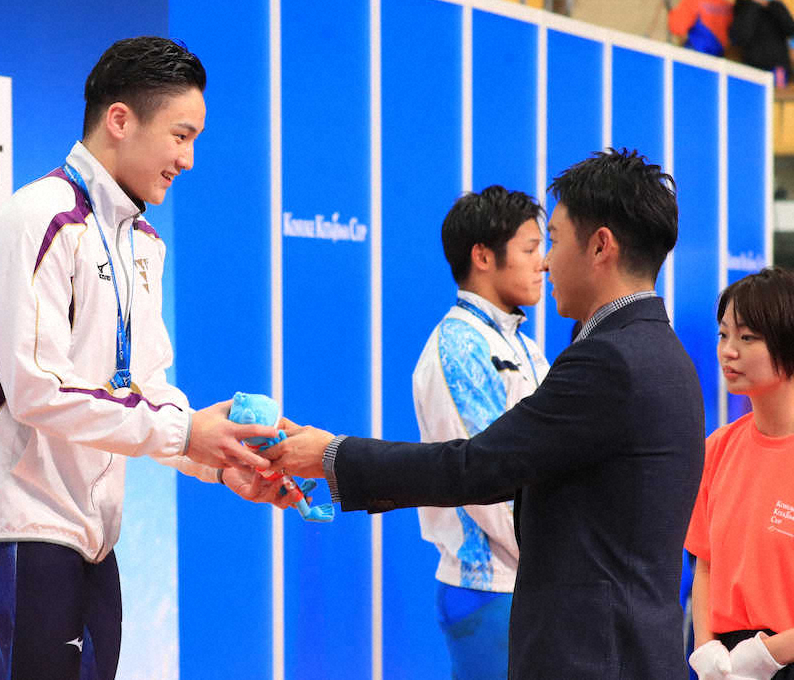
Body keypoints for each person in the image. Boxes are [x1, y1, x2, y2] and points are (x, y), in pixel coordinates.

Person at [264, 148, 706, 678]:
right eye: (533, 247)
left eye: (552, 242)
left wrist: (332, 455)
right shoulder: (656, 351)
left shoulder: (609, 358)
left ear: (600, 246)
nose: (545, 262)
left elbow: (476, 466)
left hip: (590, 651)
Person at [0, 37, 292, 680]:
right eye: (180, 136)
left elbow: (145, 391)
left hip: (92, 537)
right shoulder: (36, 219)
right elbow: (37, 389)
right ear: (120, 120)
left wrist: (218, 461)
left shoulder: (142, 241)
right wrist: (185, 432)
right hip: (21, 525)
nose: (188, 159)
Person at [413, 186, 548, 679]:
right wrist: (555, 557)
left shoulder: (523, 346)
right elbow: (483, 482)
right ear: (483, 257)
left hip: (526, 581)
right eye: (530, 249)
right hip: (488, 587)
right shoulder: (457, 348)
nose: (544, 263)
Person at [685, 268, 794, 680]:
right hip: (728, 663)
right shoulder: (718, 448)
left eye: (747, 338)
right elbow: (706, 562)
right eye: (723, 335)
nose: (728, 351)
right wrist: (705, 647)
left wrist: (769, 654)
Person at [730, 0, 794, 84]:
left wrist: (777, 3)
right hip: (754, 71)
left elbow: (790, 29)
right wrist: (753, 5)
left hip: (778, 69)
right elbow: (740, 37)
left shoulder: (776, 7)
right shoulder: (744, 8)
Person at [668, 0, 734, 56]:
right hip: (719, 56)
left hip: (697, 56)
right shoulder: (726, 4)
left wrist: (670, 9)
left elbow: (677, 27)